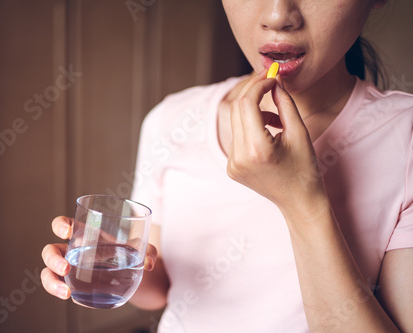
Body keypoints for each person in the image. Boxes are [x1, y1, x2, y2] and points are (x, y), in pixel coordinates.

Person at [41, 0, 413, 331]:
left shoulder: (405, 137)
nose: (277, 16)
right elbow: (161, 289)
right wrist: (116, 261)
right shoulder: (173, 119)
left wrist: (301, 200)